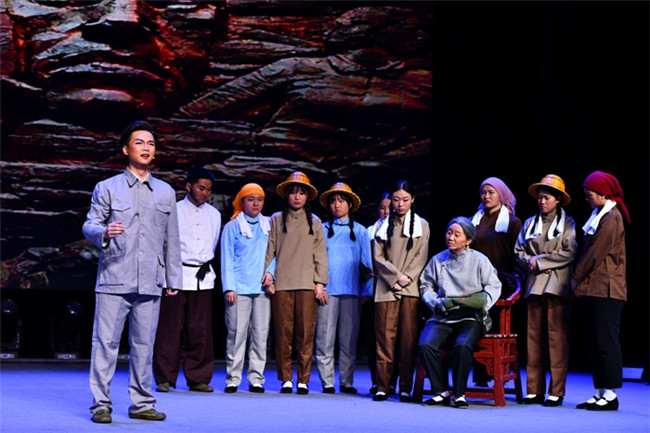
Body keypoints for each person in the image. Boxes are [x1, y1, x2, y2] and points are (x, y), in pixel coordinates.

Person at [82, 120, 182, 423]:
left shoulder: (165, 192)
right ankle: (101, 404)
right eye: (139, 142)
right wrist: (103, 232)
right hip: (114, 278)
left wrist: (174, 278)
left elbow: (171, 239)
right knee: (105, 344)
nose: (146, 148)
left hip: (150, 280)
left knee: (143, 346)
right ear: (126, 149)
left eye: (151, 143)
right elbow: (89, 224)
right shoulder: (107, 187)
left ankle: (142, 403)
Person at [417, 217, 502, 409]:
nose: (451, 237)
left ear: (468, 240)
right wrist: (435, 301)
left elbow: (494, 286)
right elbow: (426, 285)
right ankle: (441, 392)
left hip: (471, 316)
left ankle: (459, 394)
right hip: (444, 315)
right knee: (425, 344)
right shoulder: (438, 260)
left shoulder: (479, 260)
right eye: (449, 233)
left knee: (462, 345)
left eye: (457, 234)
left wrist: (482, 303)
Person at [153, 167, 221, 394]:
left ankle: (198, 378)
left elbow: (213, 243)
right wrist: (167, 277)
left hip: (203, 278)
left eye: (209, 190)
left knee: (200, 330)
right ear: (188, 186)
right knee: (170, 329)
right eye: (201, 188)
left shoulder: (214, 214)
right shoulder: (174, 210)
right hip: (176, 276)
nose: (205, 193)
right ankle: (165, 378)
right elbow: (164, 245)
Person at [514, 174, 577, 407]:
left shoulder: (567, 223)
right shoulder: (530, 223)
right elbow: (518, 251)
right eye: (540, 197)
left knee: (556, 338)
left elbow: (569, 252)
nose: (542, 201)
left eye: (547, 197)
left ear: (558, 199)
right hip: (534, 284)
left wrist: (540, 260)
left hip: (556, 285)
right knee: (533, 337)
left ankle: (556, 391)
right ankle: (534, 389)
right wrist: (530, 262)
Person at [263, 171, 329, 395]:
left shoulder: (315, 222)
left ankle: (303, 379)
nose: (297, 197)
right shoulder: (276, 219)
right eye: (293, 192)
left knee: (306, 334)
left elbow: (320, 254)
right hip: (282, 284)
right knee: (283, 334)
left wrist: (320, 282)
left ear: (307, 196)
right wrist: (268, 276)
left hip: (307, 284)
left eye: (301, 193)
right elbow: (270, 250)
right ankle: (285, 378)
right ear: (287, 195)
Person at [571, 171, 630, 411]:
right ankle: (600, 391)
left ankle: (611, 393)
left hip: (607, 289)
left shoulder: (612, 217)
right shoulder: (599, 215)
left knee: (606, 342)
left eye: (590, 194)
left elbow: (595, 253)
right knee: (594, 342)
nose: (587, 198)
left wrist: (575, 277)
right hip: (593, 288)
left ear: (603, 194)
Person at [371, 180, 429, 402]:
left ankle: (405, 387)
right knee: (384, 339)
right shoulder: (383, 225)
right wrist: (395, 278)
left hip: (410, 288)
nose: (400, 204)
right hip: (386, 288)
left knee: (407, 339)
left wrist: (405, 278)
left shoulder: (422, 225)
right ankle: (383, 386)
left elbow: (421, 256)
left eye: (405, 199)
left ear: (412, 199)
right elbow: (378, 257)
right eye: (396, 200)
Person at [315, 182, 373, 394]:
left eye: (341, 201)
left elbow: (367, 264)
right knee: (324, 337)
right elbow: (316, 260)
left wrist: (367, 290)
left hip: (352, 291)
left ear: (349, 204)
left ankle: (346, 381)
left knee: (348, 340)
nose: (337, 205)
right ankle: (327, 381)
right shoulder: (322, 229)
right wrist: (319, 285)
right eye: (333, 201)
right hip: (328, 291)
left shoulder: (360, 231)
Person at [469, 176, 523, 386]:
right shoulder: (474, 221)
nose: (486, 196)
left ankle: (501, 374)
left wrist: (514, 280)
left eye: (491, 192)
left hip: (502, 283)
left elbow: (518, 254)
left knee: (498, 328)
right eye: (483, 192)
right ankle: (481, 377)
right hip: (476, 283)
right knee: (479, 327)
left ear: (501, 195)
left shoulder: (512, 222)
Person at [220, 183, 273, 393]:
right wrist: (229, 287)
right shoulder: (232, 226)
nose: (256, 204)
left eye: (259, 199)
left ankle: (256, 378)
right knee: (236, 334)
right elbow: (226, 258)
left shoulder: (268, 225)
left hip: (262, 289)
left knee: (260, 334)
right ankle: (233, 378)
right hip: (239, 289)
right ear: (242, 202)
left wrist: (271, 274)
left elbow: (274, 253)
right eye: (251, 199)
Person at [364, 191, 393, 394]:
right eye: (382, 208)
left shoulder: (399, 230)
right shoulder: (369, 231)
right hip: (372, 287)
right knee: (373, 335)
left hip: (391, 286)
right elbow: (364, 260)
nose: (386, 212)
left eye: (389, 208)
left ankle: (392, 380)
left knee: (390, 335)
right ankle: (376, 380)